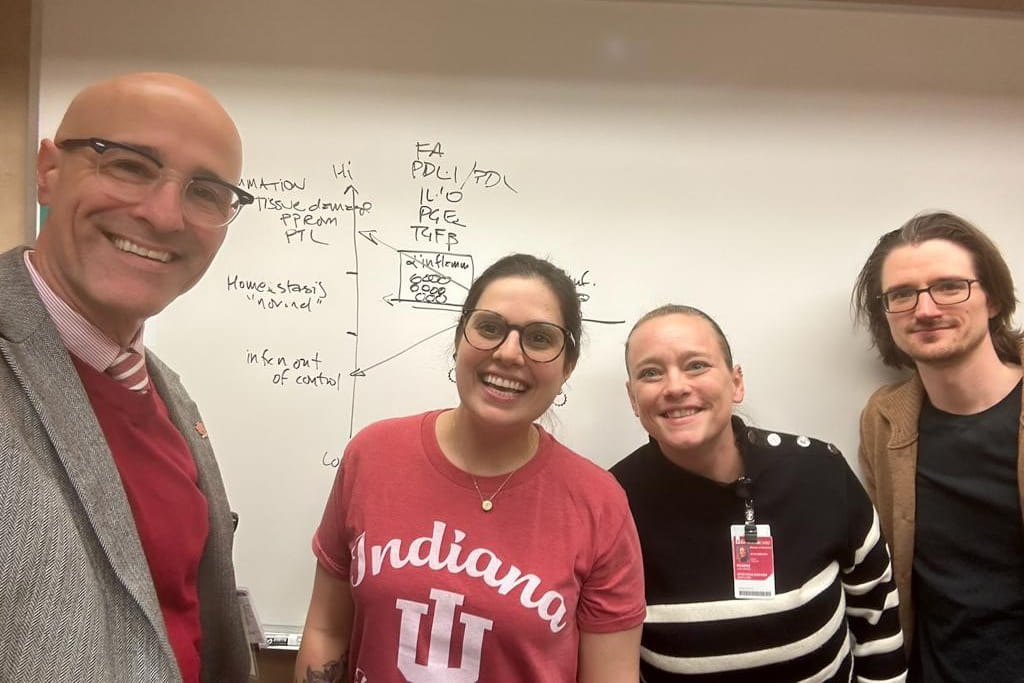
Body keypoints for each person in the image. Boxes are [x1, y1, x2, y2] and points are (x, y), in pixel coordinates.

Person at [0, 73, 254, 681]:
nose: (165, 215)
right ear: (49, 170)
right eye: (131, 167)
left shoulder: (168, 393)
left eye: (206, 191)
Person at [296, 254, 646, 682]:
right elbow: (326, 630)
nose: (508, 354)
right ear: (460, 338)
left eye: (539, 338)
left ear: (566, 366)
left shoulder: (599, 503)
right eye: (490, 328)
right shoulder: (372, 456)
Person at [611, 305, 907, 682]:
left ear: (736, 383)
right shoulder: (612, 504)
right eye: (650, 373)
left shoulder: (820, 472)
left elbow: (877, 613)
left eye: (697, 365)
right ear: (633, 398)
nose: (676, 387)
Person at [852, 211, 1024, 681]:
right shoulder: (883, 421)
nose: (925, 309)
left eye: (950, 286)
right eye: (902, 295)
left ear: (991, 298)